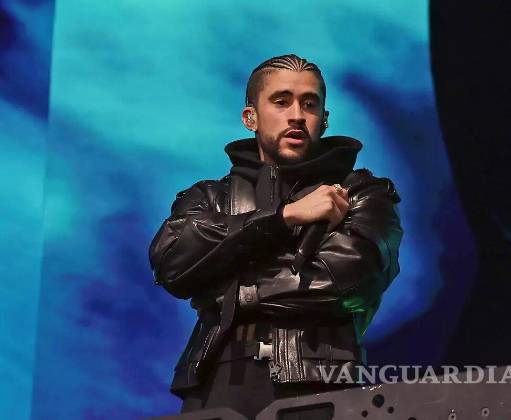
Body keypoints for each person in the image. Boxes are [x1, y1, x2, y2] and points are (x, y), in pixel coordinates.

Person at [148, 54, 403, 419]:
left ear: (324, 119)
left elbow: (349, 280)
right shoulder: (210, 197)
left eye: (309, 104)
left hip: (319, 380)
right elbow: (173, 265)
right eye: (281, 101)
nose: (297, 114)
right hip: (214, 384)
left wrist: (225, 286)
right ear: (250, 117)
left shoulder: (361, 193)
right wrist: (284, 219)